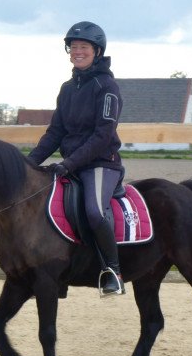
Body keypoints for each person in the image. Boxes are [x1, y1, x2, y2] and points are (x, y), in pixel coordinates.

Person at [27, 21, 125, 296]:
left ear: (97, 51)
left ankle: (112, 271)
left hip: (100, 164)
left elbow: (103, 135)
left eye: (84, 47)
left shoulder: (107, 87)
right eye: (74, 47)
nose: (77, 51)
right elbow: (55, 132)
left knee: (94, 210)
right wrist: (29, 164)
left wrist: (69, 164)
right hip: (70, 164)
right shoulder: (67, 88)